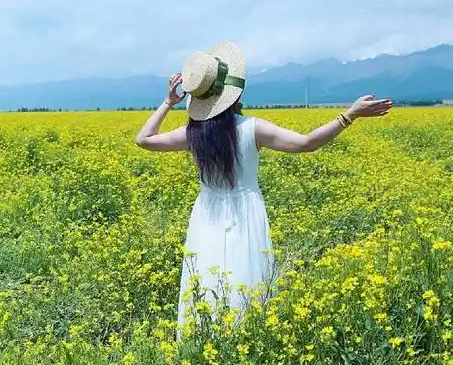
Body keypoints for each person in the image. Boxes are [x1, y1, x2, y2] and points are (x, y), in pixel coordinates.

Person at [134, 40, 393, 337]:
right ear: (234, 92)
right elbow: (306, 144)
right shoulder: (252, 128)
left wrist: (168, 102)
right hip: (245, 211)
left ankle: (203, 342)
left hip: (207, 213)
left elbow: (144, 139)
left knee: (207, 275)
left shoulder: (192, 135)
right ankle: (246, 338)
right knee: (246, 275)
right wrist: (349, 115)